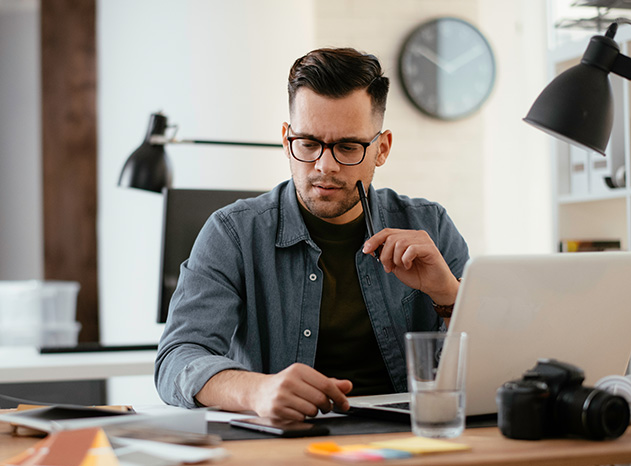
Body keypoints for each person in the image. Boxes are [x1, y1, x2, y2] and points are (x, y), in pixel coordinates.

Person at [155, 47, 469, 421]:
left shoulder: (430, 225)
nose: (325, 166)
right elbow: (177, 359)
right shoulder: (232, 234)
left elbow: (492, 366)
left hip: (411, 440)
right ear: (287, 140)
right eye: (308, 144)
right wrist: (256, 390)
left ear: (381, 149)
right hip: (286, 445)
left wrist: (448, 295)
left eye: (348, 147)